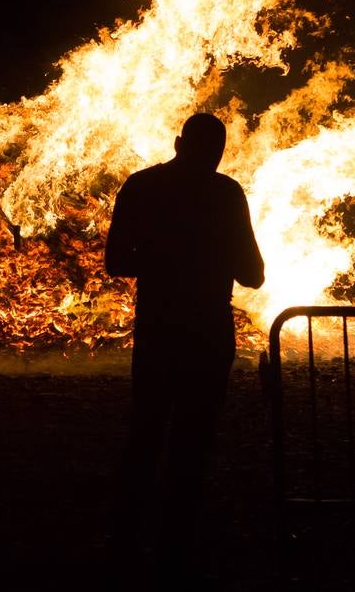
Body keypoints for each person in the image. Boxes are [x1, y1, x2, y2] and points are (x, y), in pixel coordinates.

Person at [104, 112, 265, 582]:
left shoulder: (141, 186)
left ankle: (127, 538)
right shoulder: (225, 193)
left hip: (158, 326)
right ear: (218, 151)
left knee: (147, 430)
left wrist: (160, 256)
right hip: (208, 330)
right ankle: (177, 546)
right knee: (193, 438)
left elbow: (116, 261)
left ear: (178, 142)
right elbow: (253, 274)